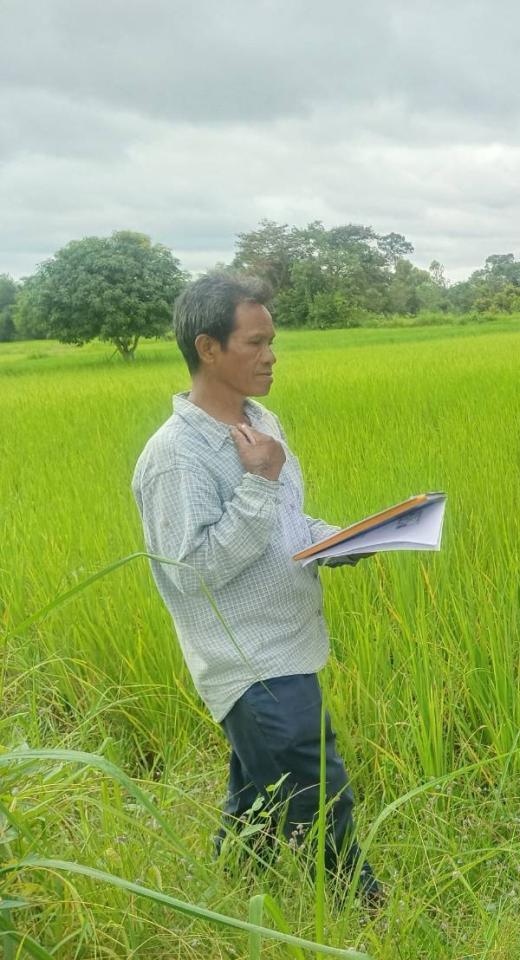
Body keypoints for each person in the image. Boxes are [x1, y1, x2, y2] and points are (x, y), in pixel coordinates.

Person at [131, 273, 382, 902]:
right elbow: (194, 574)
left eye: (273, 340)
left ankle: (226, 901)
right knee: (318, 795)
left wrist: (340, 539)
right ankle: (370, 916)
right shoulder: (175, 457)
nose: (271, 355)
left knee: (257, 801)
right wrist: (259, 483)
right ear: (208, 347)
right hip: (248, 661)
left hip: (288, 641)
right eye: (255, 342)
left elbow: (284, 524)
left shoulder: (260, 422)